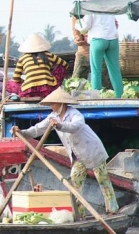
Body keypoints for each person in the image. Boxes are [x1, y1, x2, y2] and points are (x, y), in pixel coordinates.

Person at [10, 87, 119, 217]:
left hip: (92, 149)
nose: (51, 106)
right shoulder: (53, 117)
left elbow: (76, 126)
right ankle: (79, 213)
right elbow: (37, 130)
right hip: (78, 155)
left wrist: (60, 125)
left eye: (53, 104)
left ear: (61, 104)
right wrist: (21, 132)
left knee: (102, 179)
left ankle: (112, 209)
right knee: (75, 181)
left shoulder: (74, 114)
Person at [72, 0, 123, 98]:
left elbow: (85, 27)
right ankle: (120, 95)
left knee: (96, 71)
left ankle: (97, 96)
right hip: (113, 39)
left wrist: (77, 24)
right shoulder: (106, 1)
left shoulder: (89, 4)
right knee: (115, 70)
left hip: (98, 40)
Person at [8, 33, 68, 98]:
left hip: (28, 92)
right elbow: (65, 65)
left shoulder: (22, 58)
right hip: (48, 90)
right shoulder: (49, 55)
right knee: (61, 68)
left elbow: (16, 79)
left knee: (9, 84)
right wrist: (51, 73)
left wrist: (24, 81)